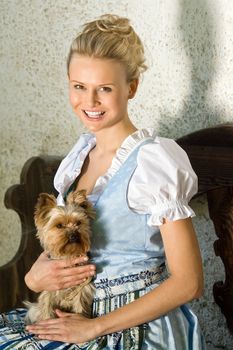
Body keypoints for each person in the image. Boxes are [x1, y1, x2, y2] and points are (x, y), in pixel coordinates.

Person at [0, 14, 206, 350]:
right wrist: (34, 277)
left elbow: (189, 282)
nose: (90, 102)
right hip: (74, 314)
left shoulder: (155, 162)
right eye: (79, 86)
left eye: (105, 89)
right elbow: (64, 247)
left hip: (132, 328)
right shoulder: (79, 157)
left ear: (132, 87)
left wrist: (93, 328)